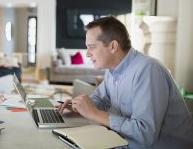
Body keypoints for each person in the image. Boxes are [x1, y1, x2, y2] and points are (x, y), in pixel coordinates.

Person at [58, 16, 193, 149]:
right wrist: (81, 107)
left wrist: (94, 113)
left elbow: (145, 134)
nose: (87, 54)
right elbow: (100, 98)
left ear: (113, 46)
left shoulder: (148, 70)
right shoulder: (113, 69)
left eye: (92, 47)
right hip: (127, 142)